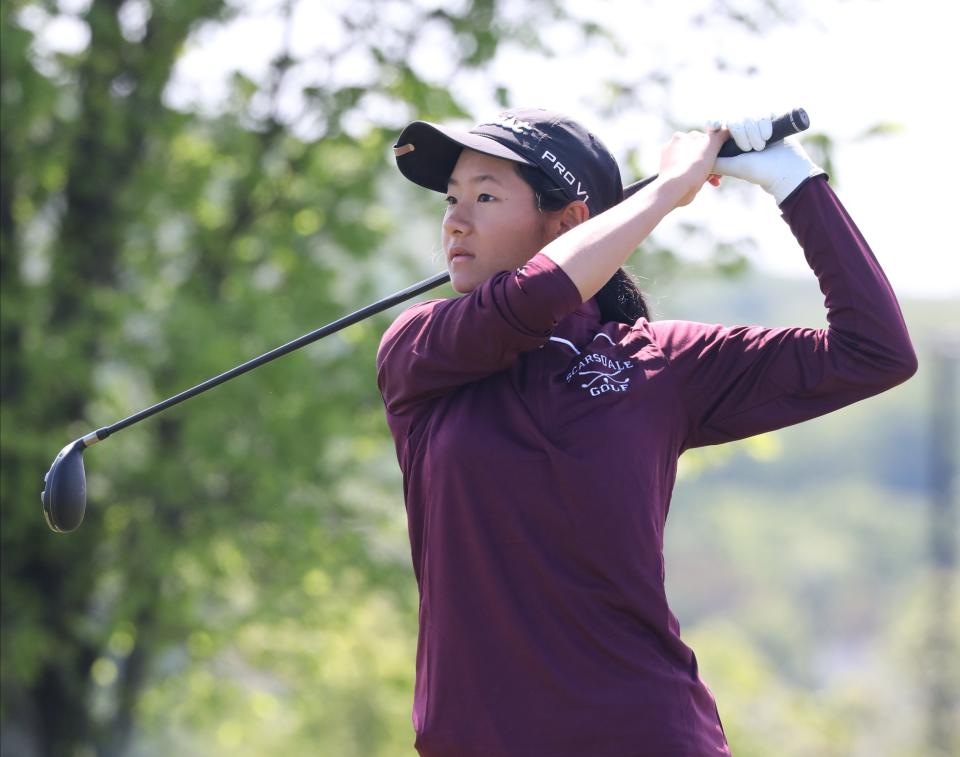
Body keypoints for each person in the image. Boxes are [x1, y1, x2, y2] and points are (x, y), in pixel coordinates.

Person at [376, 108, 917, 756]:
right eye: (452, 200)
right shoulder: (420, 349)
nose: (455, 221)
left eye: (485, 196)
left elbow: (875, 350)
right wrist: (670, 189)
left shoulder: (659, 362)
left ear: (571, 220)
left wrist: (792, 180)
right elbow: (528, 300)